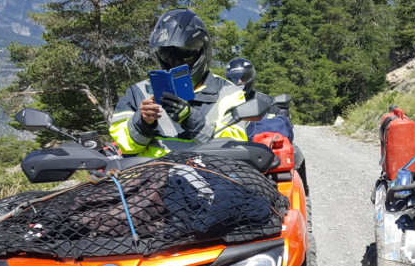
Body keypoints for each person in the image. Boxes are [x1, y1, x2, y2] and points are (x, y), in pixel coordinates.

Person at [109, 9, 248, 156]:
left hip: (208, 175)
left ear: (202, 51)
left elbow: (233, 148)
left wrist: (191, 119)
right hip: (153, 174)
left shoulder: (229, 93)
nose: (175, 62)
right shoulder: (139, 92)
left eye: (184, 54)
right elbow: (125, 146)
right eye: (167, 54)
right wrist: (143, 122)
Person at [224, 57, 295, 142]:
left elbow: (284, 128)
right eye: (234, 78)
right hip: (227, 146)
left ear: (251, 77)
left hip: (258, 148)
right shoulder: (222, 101)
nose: (239, 82)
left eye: (244, 77)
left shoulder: (267, 101)